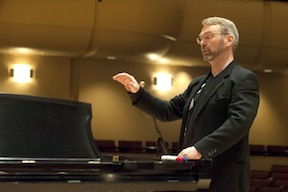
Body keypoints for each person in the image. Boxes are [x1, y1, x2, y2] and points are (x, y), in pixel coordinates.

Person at [113, 16, 260, 192]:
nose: (202, 43)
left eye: (208, 37)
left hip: (224, 176)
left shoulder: (243, 78)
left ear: (229, 40)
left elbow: (239, 123)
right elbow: (168, 111)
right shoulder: (198, 84)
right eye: (200, 38)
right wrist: (137, 92)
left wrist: (201, 149)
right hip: (192, 174)